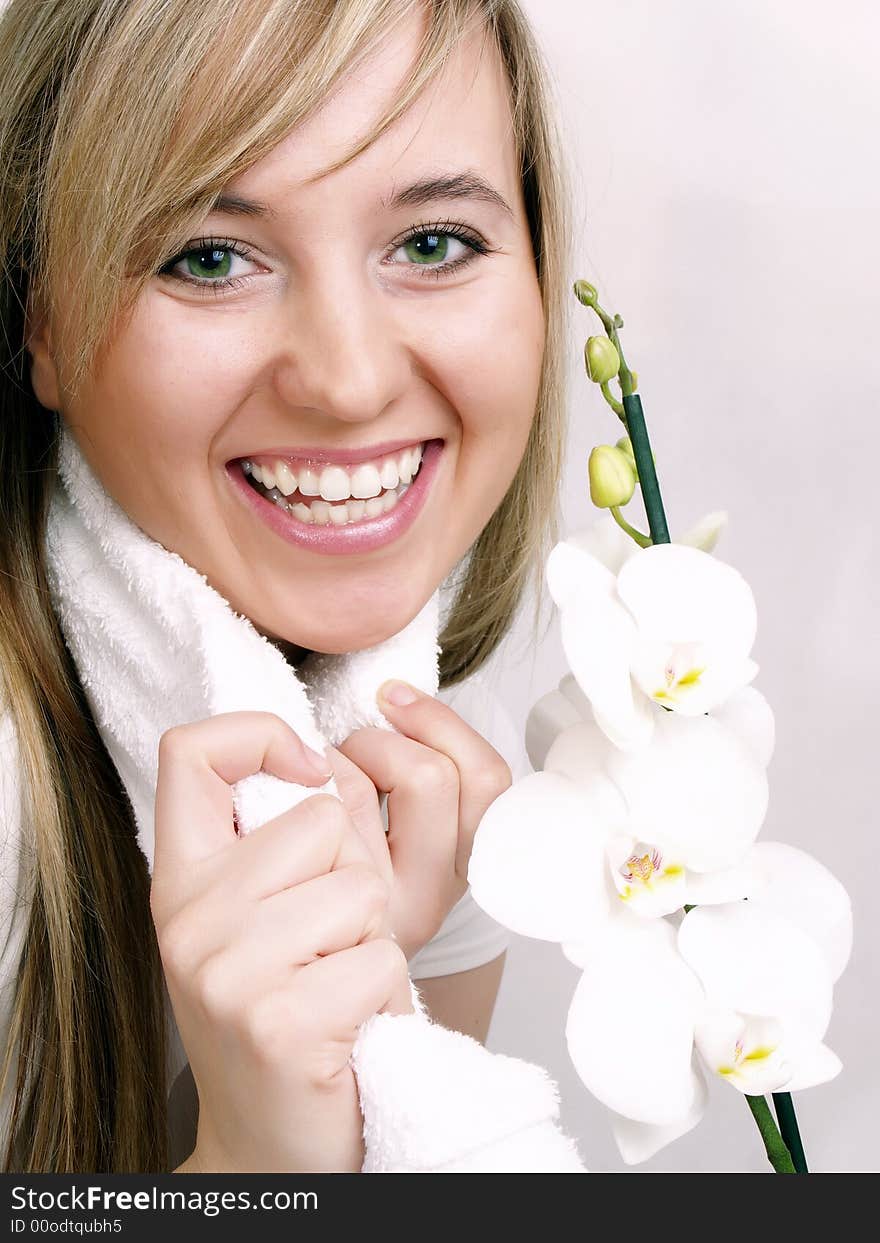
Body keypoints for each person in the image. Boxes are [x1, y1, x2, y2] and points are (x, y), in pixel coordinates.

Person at [0, 0, 575, 1172]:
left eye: (432, 244)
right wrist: (253, 1168)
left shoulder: (429, 712)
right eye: (210, 258)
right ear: (40, 322)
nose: (351, 381)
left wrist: (366, 972)